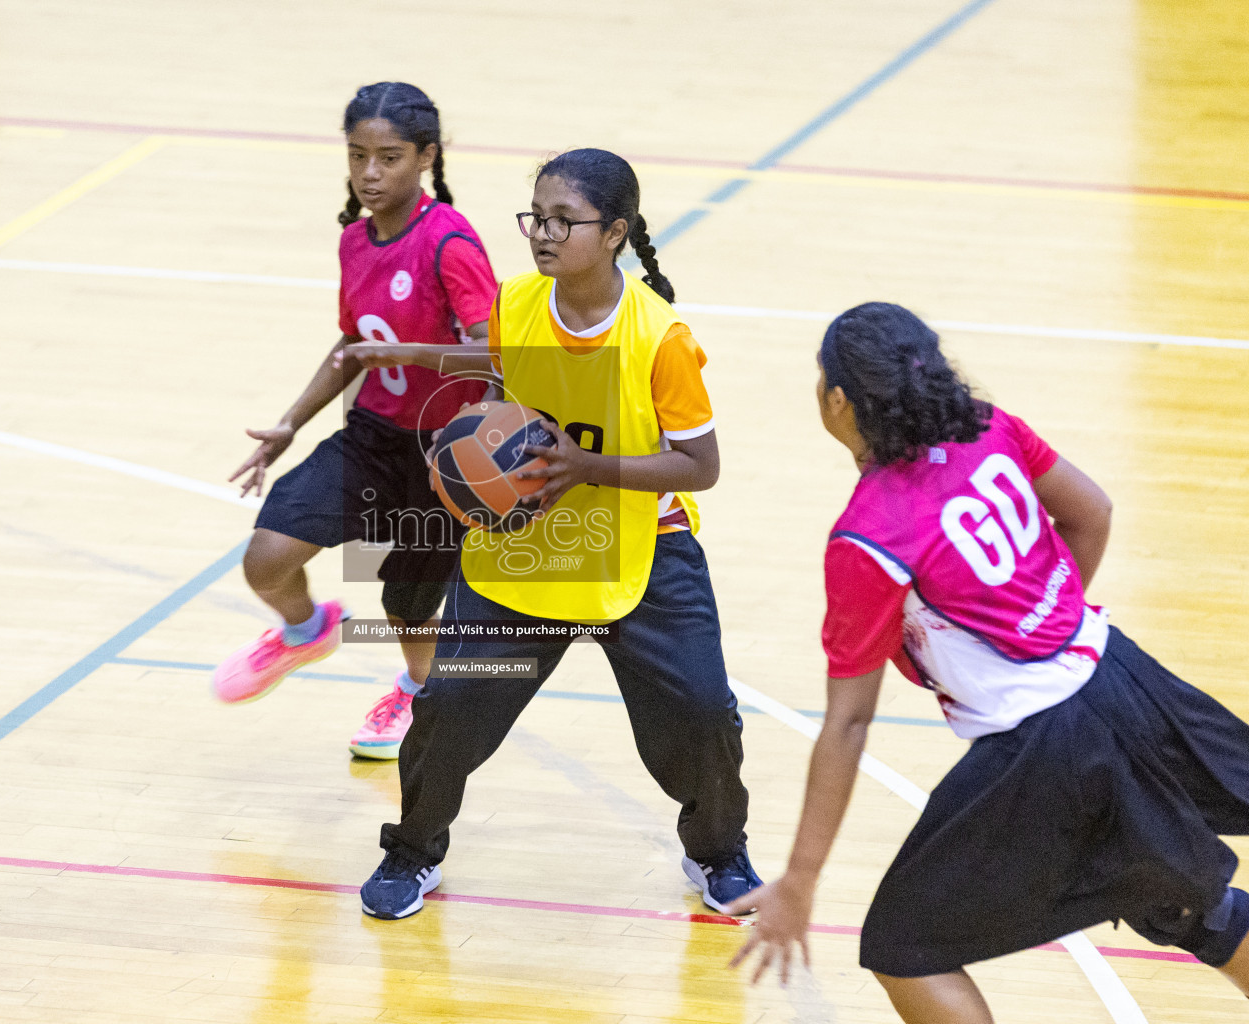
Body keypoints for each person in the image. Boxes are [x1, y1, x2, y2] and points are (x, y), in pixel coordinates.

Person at [732, 302, 1249, 1021]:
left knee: (904, 949)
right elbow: (1091, 511)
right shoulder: (985, 425)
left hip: (1045, 748)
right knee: (1186, 902)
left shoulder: (868, 537)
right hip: (1119, 678)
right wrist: (1047, 617)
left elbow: (848, 726)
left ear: (840, 400)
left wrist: (800, 879)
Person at [359, 148, 761, 920]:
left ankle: (717, 851)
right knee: (447, 704)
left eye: (562, 221)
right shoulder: (514, 307)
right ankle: (412, 851)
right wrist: (466, 470)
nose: (542, 234)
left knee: (704, 714)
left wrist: (585, 466)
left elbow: (699, 465)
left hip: (643, 552)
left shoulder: (659, 337)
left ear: (614, 233)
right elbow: (497, 406)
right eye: (534, 217)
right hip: (524, 546)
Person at [214, 82, 498, 760]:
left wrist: (409, 354)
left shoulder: (450, 243)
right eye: (359, 156)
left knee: (409, 607)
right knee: (267, 558)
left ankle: (414, 695)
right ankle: (305, 630)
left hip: (443, 452)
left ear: (426, 157)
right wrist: (290, 423)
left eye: (390, 158)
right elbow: (352, 345)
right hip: (373, 435)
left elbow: (496, 353)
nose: (371, 173)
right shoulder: (355, 241)